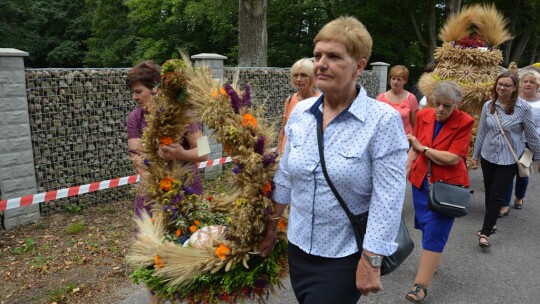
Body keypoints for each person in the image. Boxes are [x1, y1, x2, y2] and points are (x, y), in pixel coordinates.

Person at [258, 16, 408, 303]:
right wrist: (270, 225)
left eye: (334, 56)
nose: (321, 64)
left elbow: (388, 196)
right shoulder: (301, 113)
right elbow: (286, 175)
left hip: (345, 255)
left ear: (359, 66)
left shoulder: (381, 120)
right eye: (317, 56)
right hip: (299, 246)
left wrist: (372, 259)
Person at [405, 81, 474, 303]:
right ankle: (432, 262)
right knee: (426, 227)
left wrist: (422, 148)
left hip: (447, 186)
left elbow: (453, 157)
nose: (441, 110)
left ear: (457, 104)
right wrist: (404, 171)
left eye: (447, 105)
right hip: (421, 183)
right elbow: (412, 151)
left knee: (435, 231)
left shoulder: (465, 121)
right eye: (438, 104)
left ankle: (420, 286)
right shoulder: (424, 116)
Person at [126, 60, 208, 216]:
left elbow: (204, 152)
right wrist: (158, 186)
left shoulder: (184, 112)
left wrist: (181, 153)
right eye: (132, 92)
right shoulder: (134, 118)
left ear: (155, 90)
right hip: (153, 191)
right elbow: (136, 158)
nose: (134, 97)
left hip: (185, 186)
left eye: (138, 91)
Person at [472, 71, 540, 248]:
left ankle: (485, 232)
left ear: (515, 88)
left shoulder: (523, 108)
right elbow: (482, 133)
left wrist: (538, 157)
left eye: (506, 85)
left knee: (496, 194)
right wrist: (475, 156)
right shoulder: (489, 105)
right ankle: (492, 222)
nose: (501, 87)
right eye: (499, 84)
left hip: (509, 158)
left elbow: (532, 135)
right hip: (488, 156)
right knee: (489, 191)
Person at [500, 70, 540, 215]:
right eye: (525, 81)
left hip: (530, 143)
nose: (528, 84)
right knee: (507, 172)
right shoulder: (513, 99)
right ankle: (504, 204)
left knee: (522, 173)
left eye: (532, 82)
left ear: (537, 85)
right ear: (520, 84)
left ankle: (519, 197)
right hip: (512, 140)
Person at [277, 58, 320, 154]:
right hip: (288, 154)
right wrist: (280, 150)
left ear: (312, 77)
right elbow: (284, 130)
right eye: (295, 75)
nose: (298, 79)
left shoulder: (321, 101)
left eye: (303, 75)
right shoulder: (290, 99)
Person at [376, 65, 419, 134]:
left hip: (405, 140)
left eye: (399, 79)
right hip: (385, 139)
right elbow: (376, 121)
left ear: (405, 81)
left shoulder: (411, 98)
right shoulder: (381, 98)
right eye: (393, 78)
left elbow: (415, 124)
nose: (395, 82)